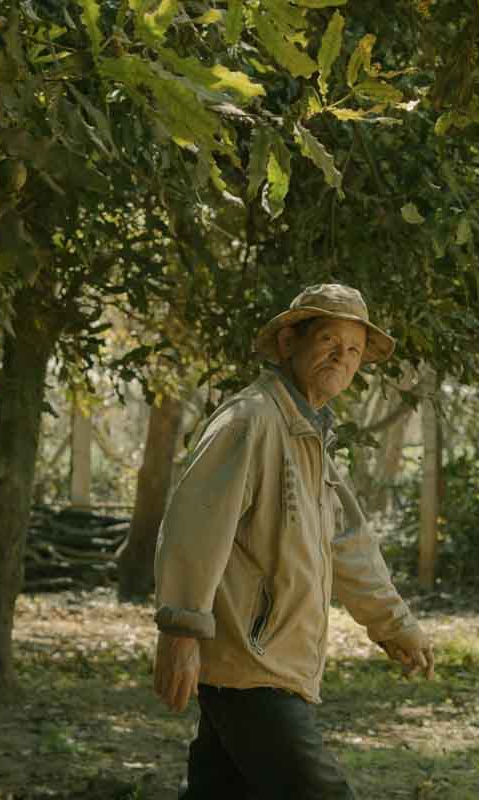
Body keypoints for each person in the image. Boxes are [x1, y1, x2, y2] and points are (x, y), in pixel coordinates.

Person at [151, 283, 435, 799]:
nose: (341, 358)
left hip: (275, 661)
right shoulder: (250, 421)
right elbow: (193, 530)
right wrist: (180, 631)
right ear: (288, 343)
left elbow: (347, 544)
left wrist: (395, 625)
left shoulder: (310, 436)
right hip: (251, 663)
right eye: (329, 340)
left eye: (353, 351)